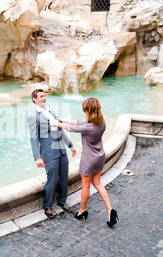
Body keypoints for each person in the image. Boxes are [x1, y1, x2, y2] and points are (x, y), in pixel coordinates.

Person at [49, 97, 119, 227]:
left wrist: (56, 123)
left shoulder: (89, 128)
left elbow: (71, 128)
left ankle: (82, 211)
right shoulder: (101, 122)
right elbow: (80, 123)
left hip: (89, 159)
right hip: (100, 156)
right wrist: (63, 120)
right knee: (98, 183)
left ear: (88, 110)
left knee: (86, 186)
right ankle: (110, 210)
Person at [27, 89, 77, 219]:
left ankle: (62, 201)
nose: (44, 98)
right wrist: (38, 157)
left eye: (44, 96)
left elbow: (60, 129)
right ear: (34, 99)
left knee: (64, 177)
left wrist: (70, 145)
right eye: (41, 97)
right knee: (52, 179)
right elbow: (33, 138)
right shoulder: (34, 117)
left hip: (61, 149)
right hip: (49, 153)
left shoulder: (51, 112)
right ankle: (47, 206)